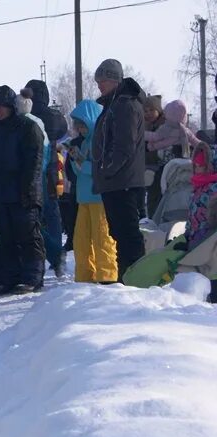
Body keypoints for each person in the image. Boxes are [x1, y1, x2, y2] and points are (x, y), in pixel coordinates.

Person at [0, 86, 46, 295]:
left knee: (28, 235)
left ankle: (32, 277)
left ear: (11, 106)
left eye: (1, 107)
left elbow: (34, 162)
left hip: (22, 192)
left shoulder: (27, 127)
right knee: (6, 238)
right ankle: (12, 277)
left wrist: (28, 190)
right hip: (1, 193)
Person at [92, 58, 148, 282]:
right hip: (116, 181)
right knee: (120, 234)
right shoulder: (114, 104)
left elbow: (124, 146)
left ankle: (135, 278)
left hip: (123, 181)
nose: (99, 85)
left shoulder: (124, 105)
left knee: (128, 235)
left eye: (103, 80)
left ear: (115, 80)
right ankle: (127, 277)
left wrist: (108, 169)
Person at [22, 80, 69, 278]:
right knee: (52, 213)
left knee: (35, 216)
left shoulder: (29, 116)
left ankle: (51, 254)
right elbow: (64, 134)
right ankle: (56, 252)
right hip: (53, 168)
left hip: (37, 167)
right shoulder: (55, 116)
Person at [69, 99, 118, 284]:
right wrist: (75, 160)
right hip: (84, 197)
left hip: (98, 197)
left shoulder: (101, 142)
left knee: (102, 238)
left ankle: (107, 275)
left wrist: (83, 165)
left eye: (82, 126)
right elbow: (80, 171)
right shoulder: (84, 144)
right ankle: (84, 275)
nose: (80, 130)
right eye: (78, 127)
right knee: (81, 240)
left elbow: (100, 169)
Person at [143, 95, 166, 216]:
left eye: (152, 110)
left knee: (161, 201)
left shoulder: (165, 127)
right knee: (153, 200)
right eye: (145, 111)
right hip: (150, 170)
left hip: (163, 169)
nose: (148, 113)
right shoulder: (145, 127)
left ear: (159, 110)